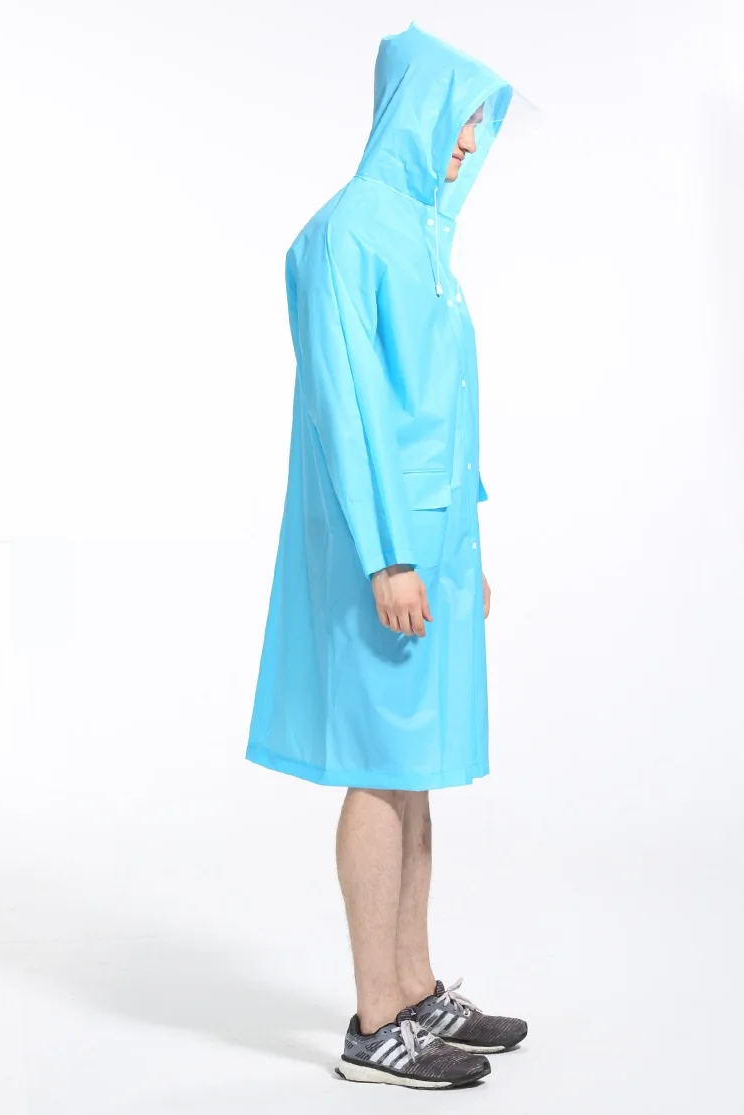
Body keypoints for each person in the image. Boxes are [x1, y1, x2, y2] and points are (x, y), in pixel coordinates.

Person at [246, 22, 528, 1089]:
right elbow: (348, 405)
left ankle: (414, 985)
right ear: (411, 108)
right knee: (378, 763)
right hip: (386, 553)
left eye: (478, 126)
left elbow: (438, 408)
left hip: (433, 544)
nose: (468, 144)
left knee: (414, 770)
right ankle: (376, 1022)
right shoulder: (345, 235)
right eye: (457, 118)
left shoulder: (422, 239)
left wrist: (464, 539)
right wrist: (388, 555)